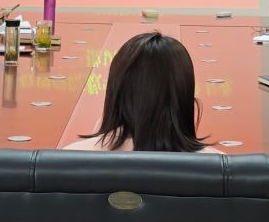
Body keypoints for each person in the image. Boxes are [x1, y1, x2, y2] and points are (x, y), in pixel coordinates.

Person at [64, 32, 206, 152]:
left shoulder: (71, 157)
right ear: (184, 97)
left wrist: (105, 135)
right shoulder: (216, 164)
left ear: (116, 93)